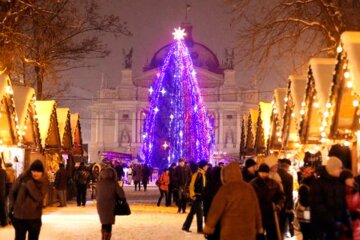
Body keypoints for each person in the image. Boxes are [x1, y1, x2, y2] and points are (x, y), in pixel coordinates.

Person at [204, 162, 263, 240]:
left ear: (225, 175)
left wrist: (209, 227)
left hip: (230, 232)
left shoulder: (225, 189)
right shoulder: (249, 188)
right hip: (248, 232)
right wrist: (259, 229)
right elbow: (257, 211)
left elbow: (215, 210)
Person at [310, 156, 351, 239]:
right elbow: (318, 206)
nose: (341, 170)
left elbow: (343, 205)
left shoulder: (339, 184)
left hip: (337, 227)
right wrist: (332, 222)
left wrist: (347, 223)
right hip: (323, 228)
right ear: (332, 169)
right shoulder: (318, 184)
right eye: (339, 168)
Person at [9, 160, 48, 240]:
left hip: (34, 218)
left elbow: (38, 197)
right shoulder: (23, 177)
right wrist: (12, 207)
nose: (35, 173)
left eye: (38, 171)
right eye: (33, 171)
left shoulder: (43, 182)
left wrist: (29, 183)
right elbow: (13, 191)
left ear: (42, 172)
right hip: (19, 217)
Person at [251, 163, 285, 240]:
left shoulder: (274, 183)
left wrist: (279, 206)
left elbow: (281, 196)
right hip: (258, 214)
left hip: (271, 214)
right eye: (262, 172)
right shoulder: (253, 184)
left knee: (273, 236)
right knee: (259, 236)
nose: (263, 174)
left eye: (265, 172)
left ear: (268, 173)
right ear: (259, 172)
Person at [96, 167, 126, 240]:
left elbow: (96, 194)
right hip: (110, 205)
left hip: (100, 205)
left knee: (103, 221)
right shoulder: (113, 183)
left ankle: (103, 236)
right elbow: (121, 194)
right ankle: (107, 238)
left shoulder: (99, 183)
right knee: (108, 223)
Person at [182, 160, 208, 233]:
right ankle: (200, 229)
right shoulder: (197, 174)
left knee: (192, 212)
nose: (207, 167)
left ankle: (185, 226)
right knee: (200, 213)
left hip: (200, 196)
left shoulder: (203, 174)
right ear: (203, 166)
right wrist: (193, 195)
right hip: (197, 196)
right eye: (206, 166)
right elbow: (191, 186)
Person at [295, 165, 316, 240]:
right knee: (309, 233)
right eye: (304, 172)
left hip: (305, 213)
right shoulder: (313, 184)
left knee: (306, 233)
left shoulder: (304, 185)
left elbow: (304, 202)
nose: (304, 173)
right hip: (309, 213)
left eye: (307, 172)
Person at [202, 165, 222, 240]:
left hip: (211, 223)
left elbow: (206, 209)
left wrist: (207, 224)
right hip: (220, 223)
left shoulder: (208, 187)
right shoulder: (222, 188)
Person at [277, 158, 294, 237]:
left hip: (276, 203)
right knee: (282, 224)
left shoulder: (275, 174)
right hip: (284, 204)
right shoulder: (289, 177)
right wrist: (290, 207)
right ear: (287, 166)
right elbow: (289, 193)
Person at [340, 169, 358, 239]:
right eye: (350, 178)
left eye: (352, 177)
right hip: (345, 227)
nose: (353, 180)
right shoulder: (340, 193)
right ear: (344, 179)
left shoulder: (356, 190)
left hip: (357, 225)